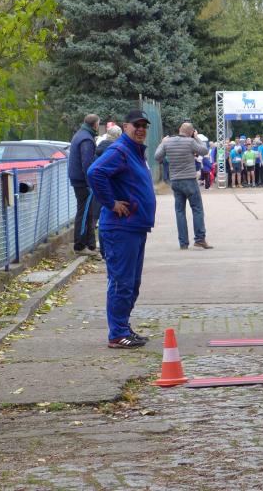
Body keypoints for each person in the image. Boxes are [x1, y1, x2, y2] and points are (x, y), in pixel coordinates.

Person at [87, 109, 157, 348]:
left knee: (132, 283)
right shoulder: (120, 150)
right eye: (136, 125)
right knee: (122, 282)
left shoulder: (135, 151)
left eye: (144, 126)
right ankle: (117, 334)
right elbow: (95, 172)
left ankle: (123, 327)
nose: (141, 129)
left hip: (134, 226)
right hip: (120, 228)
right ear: (126, 127)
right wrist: (111, 203)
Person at [154, 122, 213, 251]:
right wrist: (196, 137)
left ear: (179, 129)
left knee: (180, 211)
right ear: (191, 132)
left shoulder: (167, 142)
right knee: (197, 209)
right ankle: (199, 239)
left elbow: (157, 157)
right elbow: (204, 150)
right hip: (189, 180)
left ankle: (183, 243)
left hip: (175, 181)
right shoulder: (190, 142)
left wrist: (162, 143)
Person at [68, 114, 100, 256]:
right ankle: (80, 246)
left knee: (88, 212)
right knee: (84, 212)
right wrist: (90, 183)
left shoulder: (81, 134)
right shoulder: (86, 139)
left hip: (79, 180)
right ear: (95, 124)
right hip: (83, 182)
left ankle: (90, 245)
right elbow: (86, 163)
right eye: (98, 124)